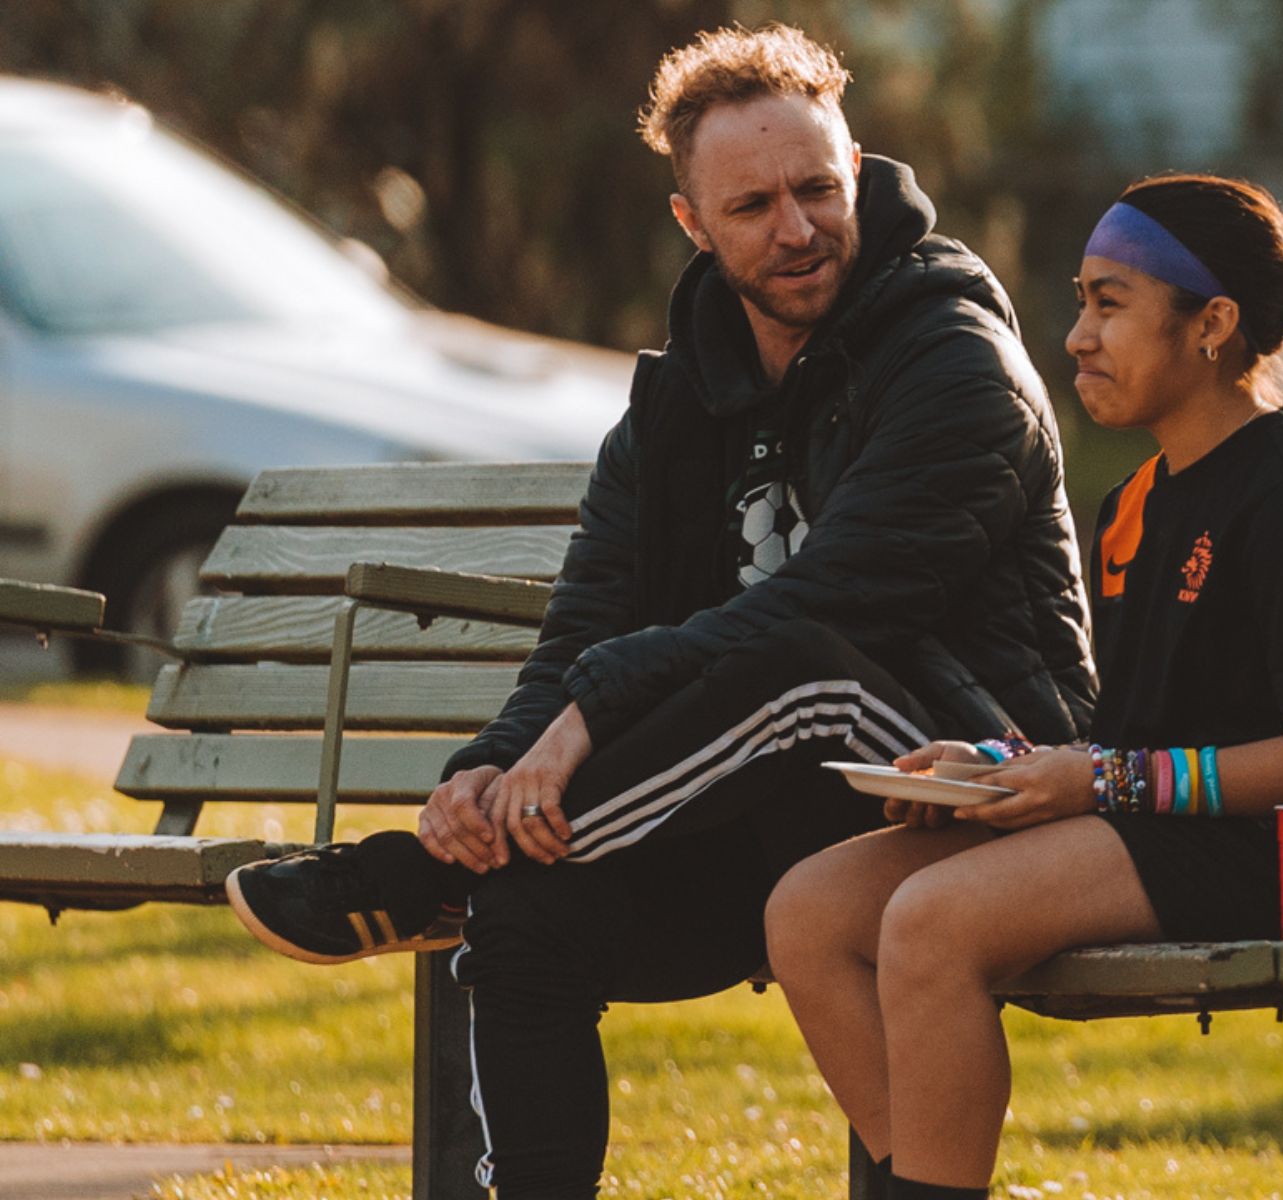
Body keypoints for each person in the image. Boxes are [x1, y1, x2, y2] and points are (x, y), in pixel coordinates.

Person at [222, 24, 1092, 1198]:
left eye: (817, 190)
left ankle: (428, 883)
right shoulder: (678, 401)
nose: (796, 229)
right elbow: (586, 623)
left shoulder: (953, 361)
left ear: (856, 170)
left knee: (802, 663)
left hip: (975, 784)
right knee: (525, 921)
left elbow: (834, 601)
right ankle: (466, 880)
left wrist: (586, 718)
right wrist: (483, 778)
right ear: (691, 222)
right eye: (752, 207)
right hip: (755, 809)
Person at [763, 174, 1283, 1199]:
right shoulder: (1133, 506)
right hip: (1159, 827)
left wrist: (1100, 784)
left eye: (1109, 303)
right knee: (809, 910)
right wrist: (998, 773)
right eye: (1080, 301)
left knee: (932, 922)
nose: (1076, 336)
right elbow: (1128, 735)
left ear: (1209, 324)